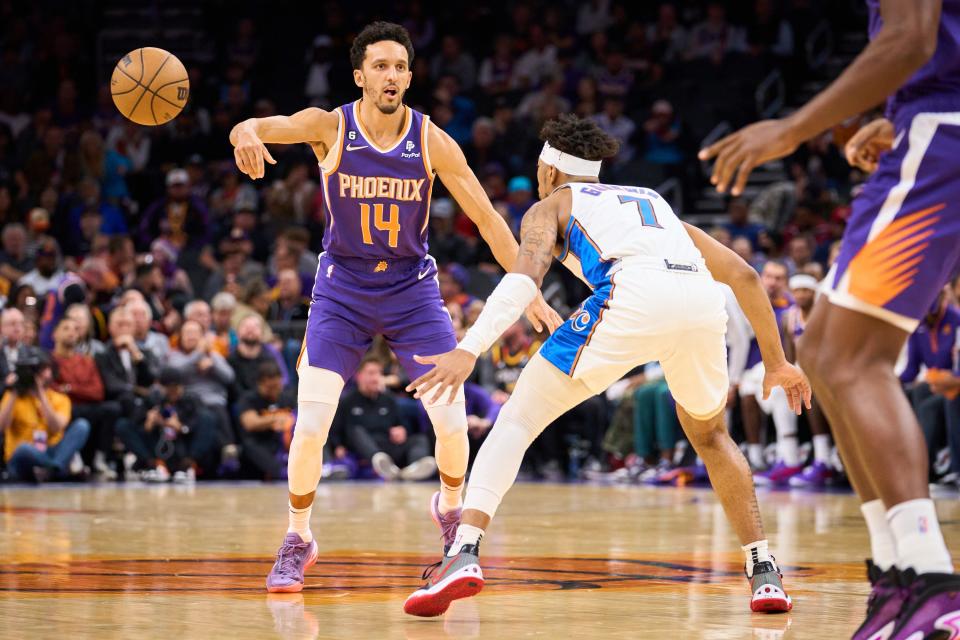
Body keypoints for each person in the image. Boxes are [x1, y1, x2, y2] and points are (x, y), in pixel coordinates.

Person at [402, 115, 810, 617]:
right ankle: (763, 568)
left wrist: (470, 348)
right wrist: (777, 362)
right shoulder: (653, 203)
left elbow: (523, 277)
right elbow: (745, 275)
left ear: (549, 169)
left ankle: (462, 552)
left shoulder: (550, 205)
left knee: (519, 418)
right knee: (710, 436)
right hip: (702, 305)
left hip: (632, 296)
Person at [229, 21, 560, 593]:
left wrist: (528, 290)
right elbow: (258, 124)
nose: (393, 76)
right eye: (381, 66)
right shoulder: (329, 125)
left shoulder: (431, 139)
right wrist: (243, 133)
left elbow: (486, 220)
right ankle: (298, 538)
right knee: (310, 426)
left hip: (412, 290)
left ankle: (450, 510)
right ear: (360, 75)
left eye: (401, 67)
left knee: (452, 421)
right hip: (342, 291)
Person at [698, 1, 960, 635]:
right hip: (925, 124)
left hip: (943, 130)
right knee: (820, 360)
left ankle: (931, 581)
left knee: (849, 358)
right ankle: (898, 576)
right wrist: (892, 116)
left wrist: (793, 128)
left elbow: (909, 40)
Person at [336, 356, 436, 481]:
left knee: (419, 439)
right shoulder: (347, 401)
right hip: (362, 448)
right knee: (356, 431)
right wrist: (338, 445)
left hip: (387, 444)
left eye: (379, 373)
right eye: (371, 373)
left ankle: (414, 468)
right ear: (359, 376)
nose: (376, 377)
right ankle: (380, 462)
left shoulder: (388, 400)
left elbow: (400, 425)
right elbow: (336, 429)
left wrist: (401, 431)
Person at [0, 349, 90, 482]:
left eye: (41, 370)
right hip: (25, 454)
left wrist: (41, 394)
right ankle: (57, 469)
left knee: (82, 425)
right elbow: (2, 428)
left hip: (51, 450)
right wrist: (14, 391)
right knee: (24, 449)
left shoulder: (60, 398)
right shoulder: (12, 397)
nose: (37, 375)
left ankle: (53, 468)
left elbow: (56, 427)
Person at [782, 274, 835, 488]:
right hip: (802, 370)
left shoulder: (823, 316)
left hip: (824, 370)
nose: (802, 295)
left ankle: (823, 459)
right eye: (797, 291)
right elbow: (789, 353)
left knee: (809, 393)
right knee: (782, 390)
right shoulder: (789, 317)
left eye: (806, 290)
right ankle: (787, 457)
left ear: (815, 293)